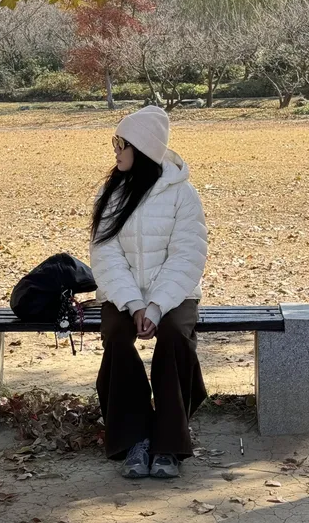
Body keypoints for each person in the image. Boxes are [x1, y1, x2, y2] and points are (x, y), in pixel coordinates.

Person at [90, 105, 208, 479]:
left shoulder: (182, 195)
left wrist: (156, 307)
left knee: (174, 336)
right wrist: (134, 303)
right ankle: (134, 439)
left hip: (175, 294)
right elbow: (105, 256)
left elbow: (188, 257)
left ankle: (169, 444)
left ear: (141, 148)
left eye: (120, 143)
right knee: (117, 337)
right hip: (122, 294)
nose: (115, 150)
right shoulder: (110, 194)